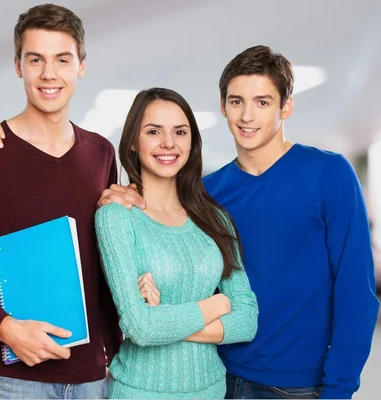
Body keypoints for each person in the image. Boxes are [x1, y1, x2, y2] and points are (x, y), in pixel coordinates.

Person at [98, 46, 379, 399]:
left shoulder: (328, 174)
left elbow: (357, 292)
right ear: (223, 106)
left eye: (262, 102)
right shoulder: (206, 197)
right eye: (236, 102)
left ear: (286, 107)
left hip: (299, 385)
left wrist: (339, 389)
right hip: (219, 378)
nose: (247, 116)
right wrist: (123, 193)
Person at [0, 4, 122, 399]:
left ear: (81, 65)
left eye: (62, 59)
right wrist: (6, 328)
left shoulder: (101, 153)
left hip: (90, 378)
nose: (49, 73)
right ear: (18, 66)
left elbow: (104, 262)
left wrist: (112, 351)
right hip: (8, 376)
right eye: (36, 59)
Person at [94, 87, 258, 399]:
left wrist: (165, 317)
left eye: (180, 132)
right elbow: (139, 327)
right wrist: (217, 304)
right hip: (140, 391)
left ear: (192, 142)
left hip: (210, 390)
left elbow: (247, 320)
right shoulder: (116, 217)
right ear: (132, 141)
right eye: (153, 131)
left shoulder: (215, 220)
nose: (168, 143)